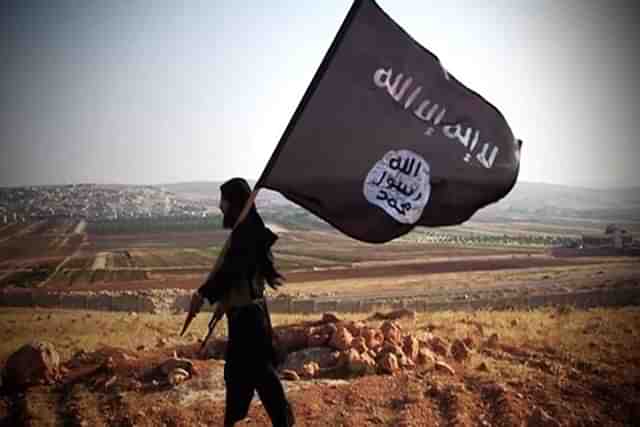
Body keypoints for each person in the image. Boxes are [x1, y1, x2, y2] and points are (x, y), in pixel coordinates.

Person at [190, 177, 294, 427]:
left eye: (223, 201)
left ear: (234, 203)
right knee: (242, 377)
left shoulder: (247, 234)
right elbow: (234, 273)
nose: (220, 207)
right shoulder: (246, 231)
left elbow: (230, 270)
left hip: (250, 320)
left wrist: (203, 294)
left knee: (260, 378)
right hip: (245, 317)